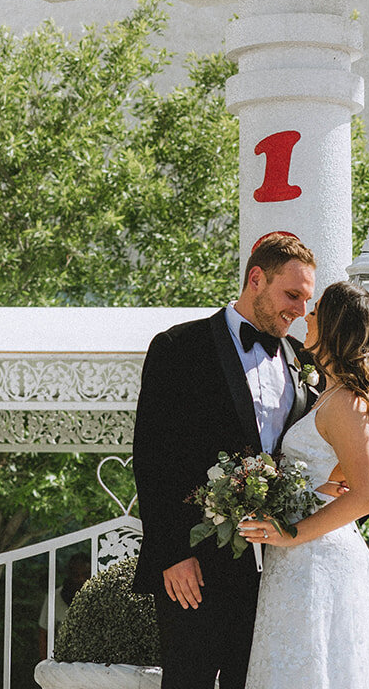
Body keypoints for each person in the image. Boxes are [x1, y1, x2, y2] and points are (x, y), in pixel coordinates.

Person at [132, 232, 318, 689]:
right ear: (256, 278)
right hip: (194, 565)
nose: (299, 310)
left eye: (306, 300)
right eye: (291, 295)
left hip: (278, 572)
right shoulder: (178, 347)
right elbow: (152, 457)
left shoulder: (302, 360)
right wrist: (173, 553)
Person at [238, 278, 369, 689]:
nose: (307, 315)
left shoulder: (346, 402)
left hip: (317, 557)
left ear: (334, 326)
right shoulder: (329, 394)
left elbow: (368, 494)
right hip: (299, 558)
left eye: (317, 310)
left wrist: (291, 534)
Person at [38, 550, 90, 658]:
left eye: (85, 574)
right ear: (69, 574)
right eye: (76, 575)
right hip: (63, 662)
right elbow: (44, 634)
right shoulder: (54, 597)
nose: (81, 579)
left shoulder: (100, 596)